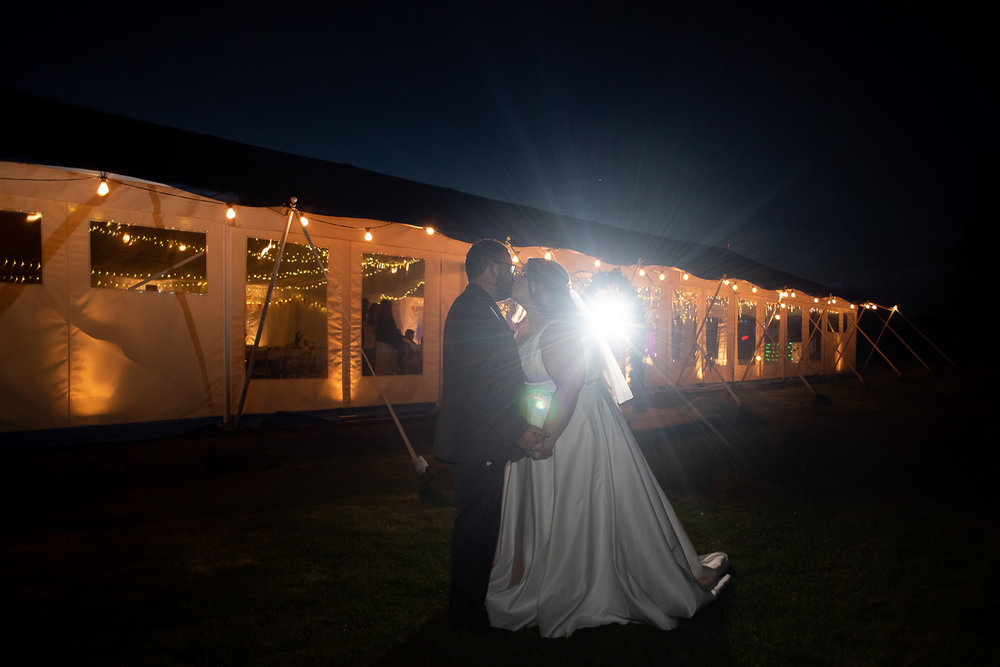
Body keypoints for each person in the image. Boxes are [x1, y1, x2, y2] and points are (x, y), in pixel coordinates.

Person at [486, 257, 730, 637]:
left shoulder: (559, 329)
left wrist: (546, 439)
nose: (514, 277)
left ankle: (579, 581)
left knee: (580, 500)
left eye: (522, 275)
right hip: (538, 425)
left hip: (570, 428)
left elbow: (568, 387)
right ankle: (541, 572)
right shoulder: (524, 325)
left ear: (540, 289)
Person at [434, 239, 551, 632]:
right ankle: (466, 615)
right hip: (476, 440)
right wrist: (517, 431)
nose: (514, 273)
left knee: (480, 528)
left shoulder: (478, 309)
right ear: (491, 267)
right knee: (476, 530)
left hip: (477, 438)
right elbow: (484, 385)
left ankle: (467, 605)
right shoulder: (476, 313)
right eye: (509, 266)